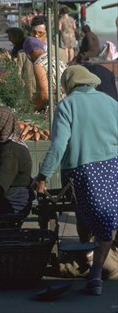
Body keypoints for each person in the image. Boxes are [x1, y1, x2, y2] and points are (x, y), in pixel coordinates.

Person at [34, 66, 118, 296]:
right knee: (106, 218)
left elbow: (59, 145)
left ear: (68, 85)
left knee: (87, 213)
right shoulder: (111, 102)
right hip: (112, 166)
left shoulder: (67, 105)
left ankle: (94, 268)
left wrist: (43, 175)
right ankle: (95, 266)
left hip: (82, 171)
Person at [23, 37, 66, 112]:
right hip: (66, 103)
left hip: (55, 109)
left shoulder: (39, 65)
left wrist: (30, 109)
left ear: (30, 53)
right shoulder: (56, 59)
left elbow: (45, 95)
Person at [7, 27, 36, 100]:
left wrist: (10, 58)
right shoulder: (18, 44)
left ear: (16, 36)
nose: (9, 39)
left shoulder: (22, 47)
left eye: (10, 37)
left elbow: (18, 62)